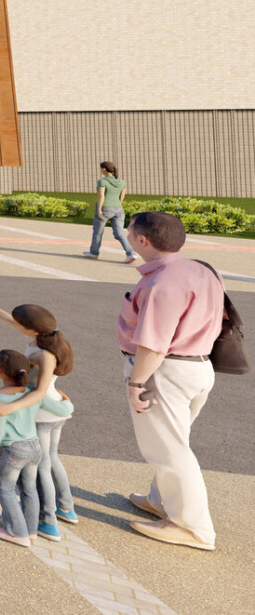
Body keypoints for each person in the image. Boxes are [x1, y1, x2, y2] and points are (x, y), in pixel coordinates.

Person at [118, 211, 225, 550]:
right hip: (197, 366)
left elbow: (153, 343)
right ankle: (161, 499)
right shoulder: (202, 269)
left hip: (164, 371)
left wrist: (136, 384)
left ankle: (192, 528)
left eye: (129, 233)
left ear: (142, 241)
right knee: (172, 442)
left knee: (169, 449)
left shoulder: (161, 284)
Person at [0, 295, 80, 539]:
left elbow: (38, 392)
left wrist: (10, 408)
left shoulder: (46, 354)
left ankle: (48, 522)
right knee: (51, 459)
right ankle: (66, 508)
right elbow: (6, 317)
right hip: (54, 406)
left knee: (43, 467)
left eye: (19, 323)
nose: (14, 325)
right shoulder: (45, 337)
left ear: (31, 328)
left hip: (45, 412)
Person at [0, 348, 74, 547]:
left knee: (5, 488)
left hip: (12, 450)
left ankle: (17, 532)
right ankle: (31, 529)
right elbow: (65, 409)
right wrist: (65, 399)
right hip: (34, 447)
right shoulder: (33, 394)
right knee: (29, 489)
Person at [84, 160, 135, 263]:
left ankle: (94, 253)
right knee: (119, 234)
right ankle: (131, 254)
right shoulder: (121, 182)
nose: (100, 170)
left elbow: (101, 196)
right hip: (118, 209)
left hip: (105, 209)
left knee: (98, 232)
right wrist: (117, 205)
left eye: (100, 168)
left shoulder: (102, 181)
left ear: (104, 169)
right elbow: (122, 196)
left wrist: (99, 209)